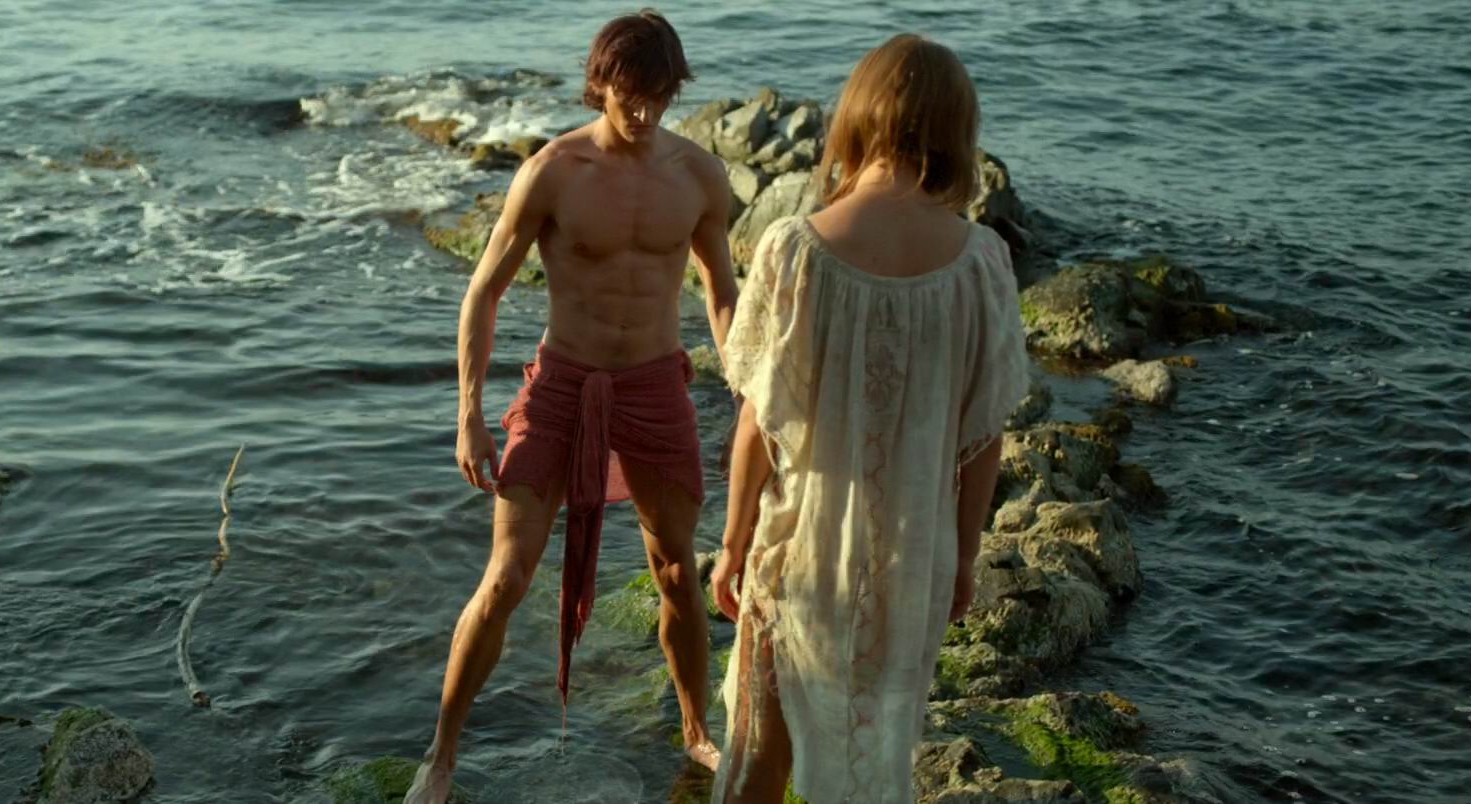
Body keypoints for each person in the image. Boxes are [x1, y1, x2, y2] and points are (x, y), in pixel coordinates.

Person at [405, 9, 740, 803]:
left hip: (655, 386)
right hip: (561, 385)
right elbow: (483, 291)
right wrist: (469, 412)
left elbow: (722, 292)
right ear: (601, 84)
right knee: (506, 577)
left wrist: (746, 381)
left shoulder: (699, 176)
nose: (644, 112)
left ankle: (696, 733)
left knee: (676, 572)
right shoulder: (553, 171)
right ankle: (441, 755)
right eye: (630, 95)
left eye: (659, 95)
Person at [706, 33, 1030, 803]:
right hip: (909, 562)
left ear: (859, 116)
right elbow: (984, 438)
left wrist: (732, 543)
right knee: (874, 756)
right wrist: (962, 557)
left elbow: (759, 422)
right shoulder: (982, 262)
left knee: (758, 757)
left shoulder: (794, 249)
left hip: (800, 552)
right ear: (956, 130)